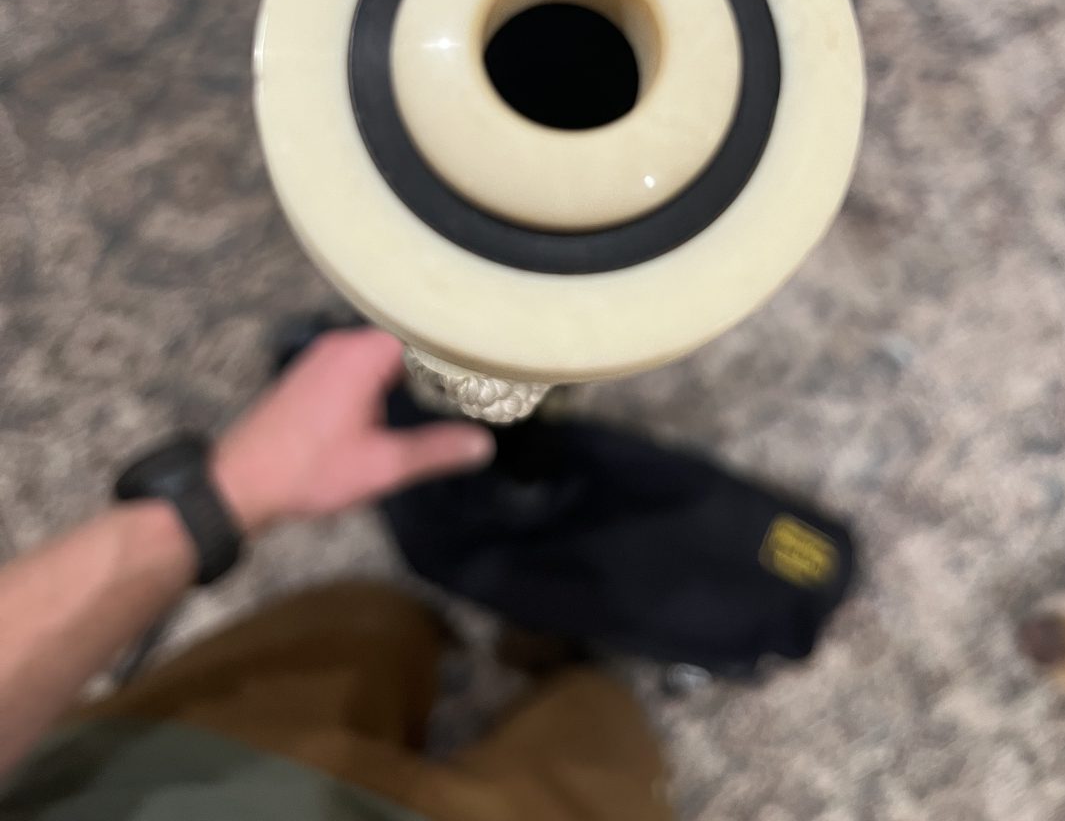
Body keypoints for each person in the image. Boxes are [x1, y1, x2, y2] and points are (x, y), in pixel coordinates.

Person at [0, 327, 673, 820]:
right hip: (148, 773)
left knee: (368, 624)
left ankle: (447, 642)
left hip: (128, 771)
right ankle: (573, 678)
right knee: (598, 737)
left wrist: (220, 498)